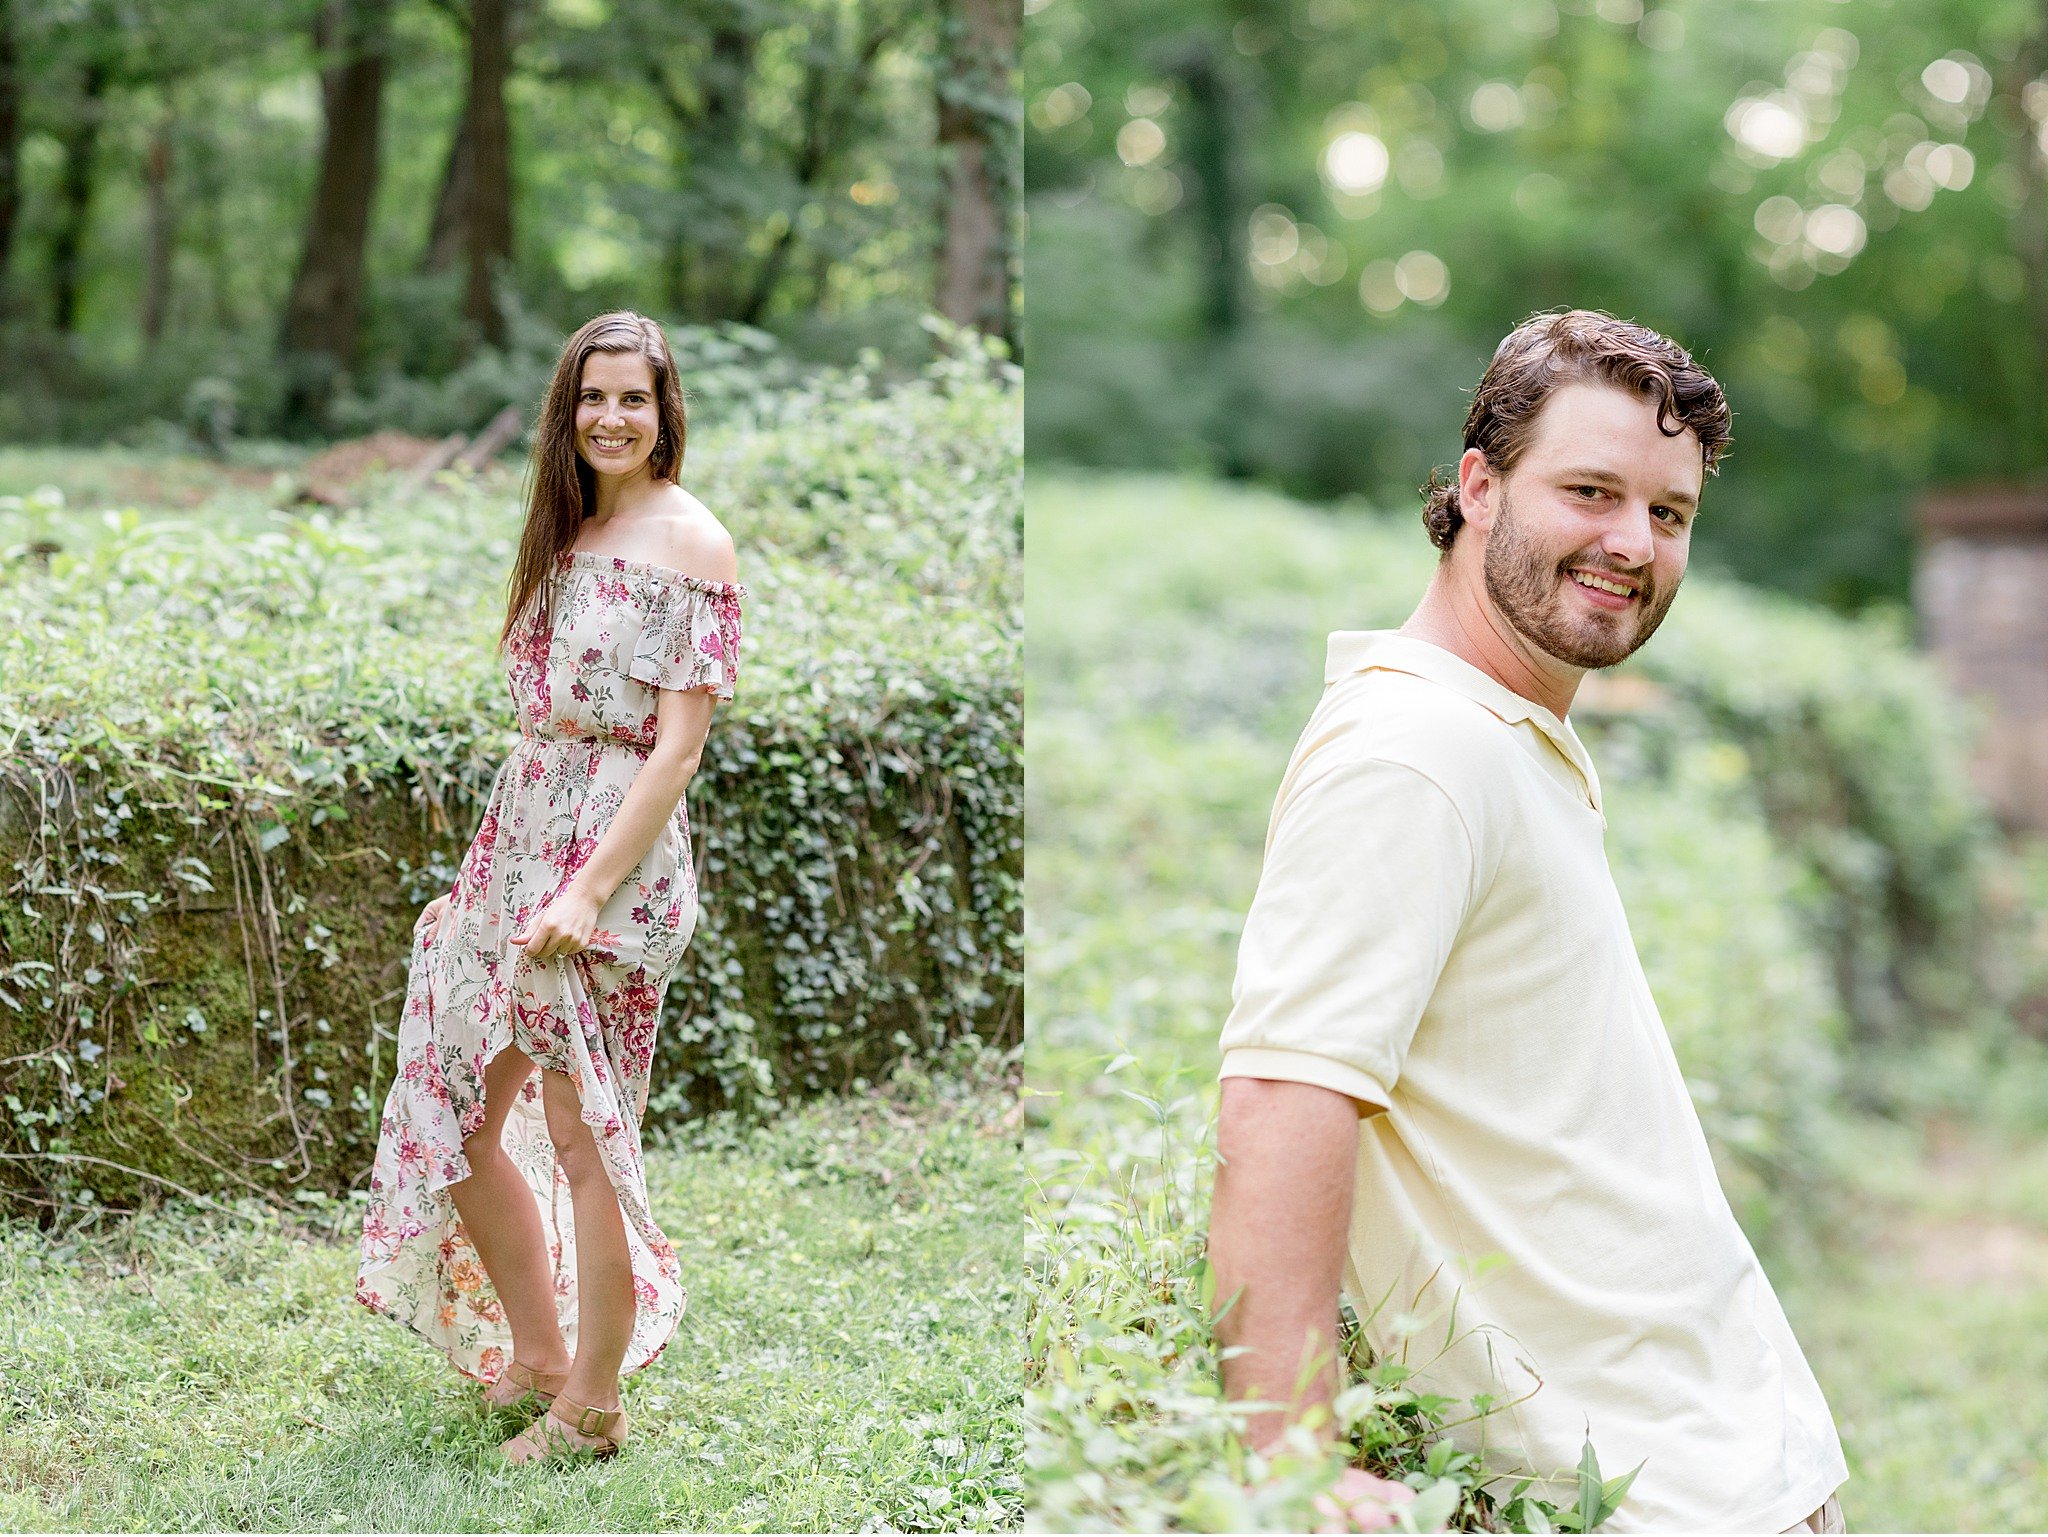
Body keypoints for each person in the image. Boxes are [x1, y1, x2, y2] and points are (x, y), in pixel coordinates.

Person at [1205, 310, 1848, 1533]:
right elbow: (1282, 1093)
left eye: (1667, 513)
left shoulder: (1503, 729)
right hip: (1631, 1492)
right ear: (1478, 486)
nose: (1630, 542)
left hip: (1718, 1460)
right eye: (1590, 490)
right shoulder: (1412, 755)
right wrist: (1286, 1454)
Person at [355, 310, 745, 1464]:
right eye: (593, 398)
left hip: (613, 868)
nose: (612, 418)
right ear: (566, 412)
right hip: (519, 841)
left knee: (579, 1135)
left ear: (666, 406)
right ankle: (533, 1352)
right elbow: (544, 733)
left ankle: (594, 1404)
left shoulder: (695, 544)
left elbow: (673, 751)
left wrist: (583, 892)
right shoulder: (565, 528)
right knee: (455, 1100)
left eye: (634, 397)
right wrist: (478, 888)